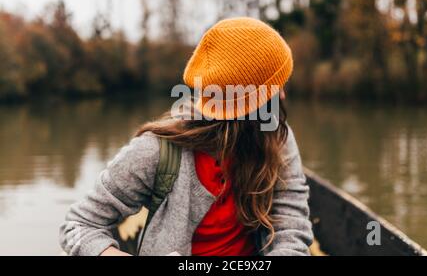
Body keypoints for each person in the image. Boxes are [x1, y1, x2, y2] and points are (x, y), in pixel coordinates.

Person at [60, 17, 313, 256]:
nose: (282, 96)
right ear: (247, 104)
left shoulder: (275, 136)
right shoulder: (155, 151)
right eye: (275, 87)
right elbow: (79, 225)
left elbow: (291, 226)